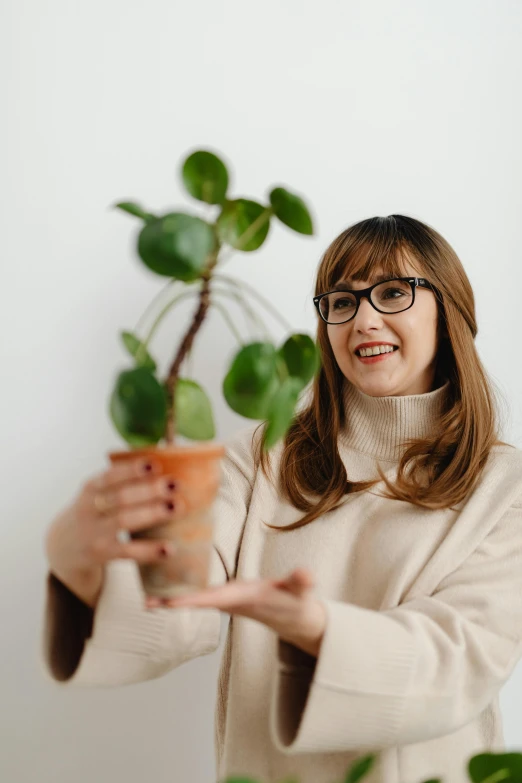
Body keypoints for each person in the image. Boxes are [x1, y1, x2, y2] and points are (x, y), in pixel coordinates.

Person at [42, 214, 522, 783]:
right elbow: (174, 602)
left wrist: (316, 629)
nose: (363, 319)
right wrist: (79, 567)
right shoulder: (261, 457)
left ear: (450, 311)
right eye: (341, 301)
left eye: (393, 293)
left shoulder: (504, 485)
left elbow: (461, 658)